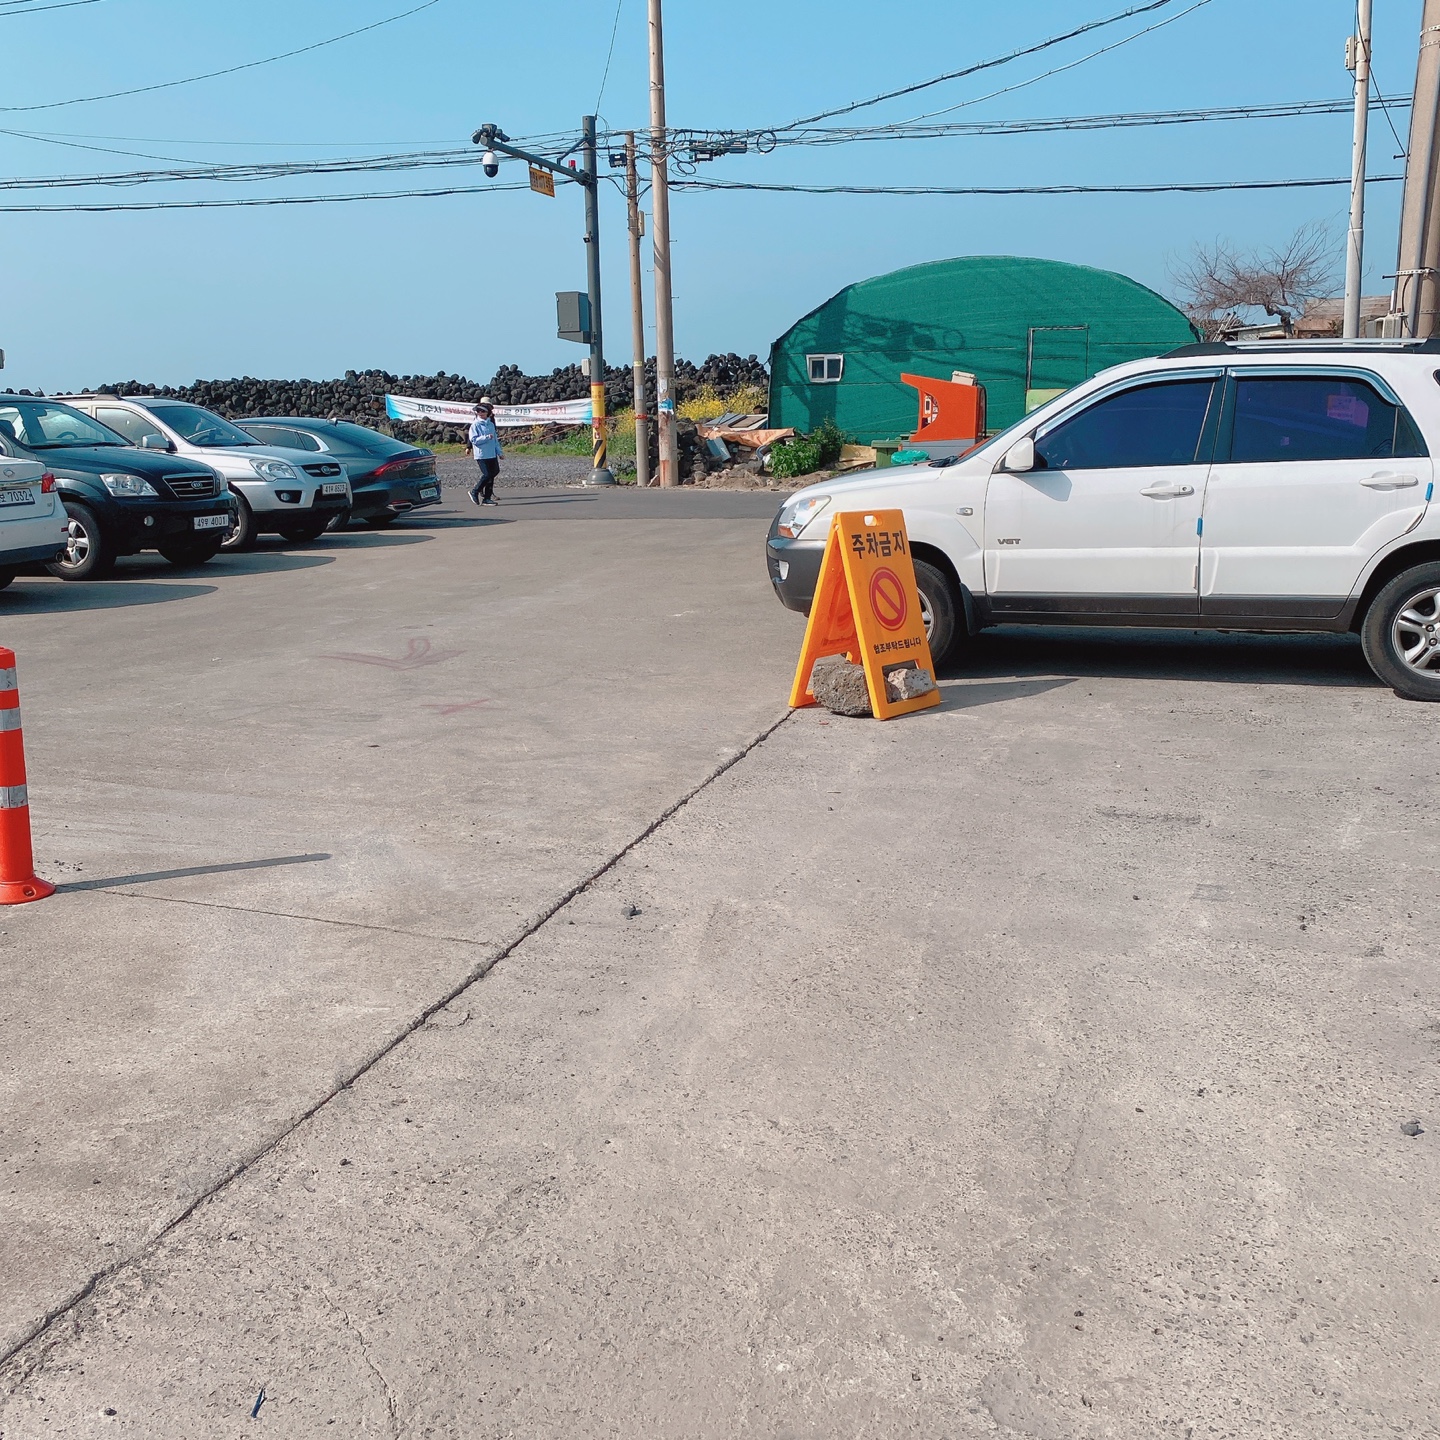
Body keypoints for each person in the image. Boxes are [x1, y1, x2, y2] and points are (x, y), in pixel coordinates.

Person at [467, 398, 503, 506]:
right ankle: (475, 490)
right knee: (487, 474)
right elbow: (474, 440)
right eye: (478, 411)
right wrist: (486, 437)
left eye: (483, 411)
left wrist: (499, 452)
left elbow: (495, 440)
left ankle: (487, 498)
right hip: (481, 454)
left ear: (488, 412)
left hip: (491, 453)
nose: (480, 413)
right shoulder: (475, 425)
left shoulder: (491, 424)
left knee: (494, 473)